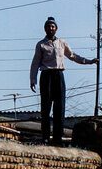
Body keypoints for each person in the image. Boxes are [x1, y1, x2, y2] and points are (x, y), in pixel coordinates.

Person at [29, 17, 97, 146]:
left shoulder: (62, 43)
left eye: (52, 27)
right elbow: (35, 63)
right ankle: (45, 137)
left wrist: (89, 61)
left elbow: (73, 56)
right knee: (46, 107)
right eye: (48, 27)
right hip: (46, 75)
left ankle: (57, 138)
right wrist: (33, 79)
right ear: (45, 29)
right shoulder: (41, 44)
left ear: (56, 29)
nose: (50, 29)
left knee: (59, 107)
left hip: (58, 75)